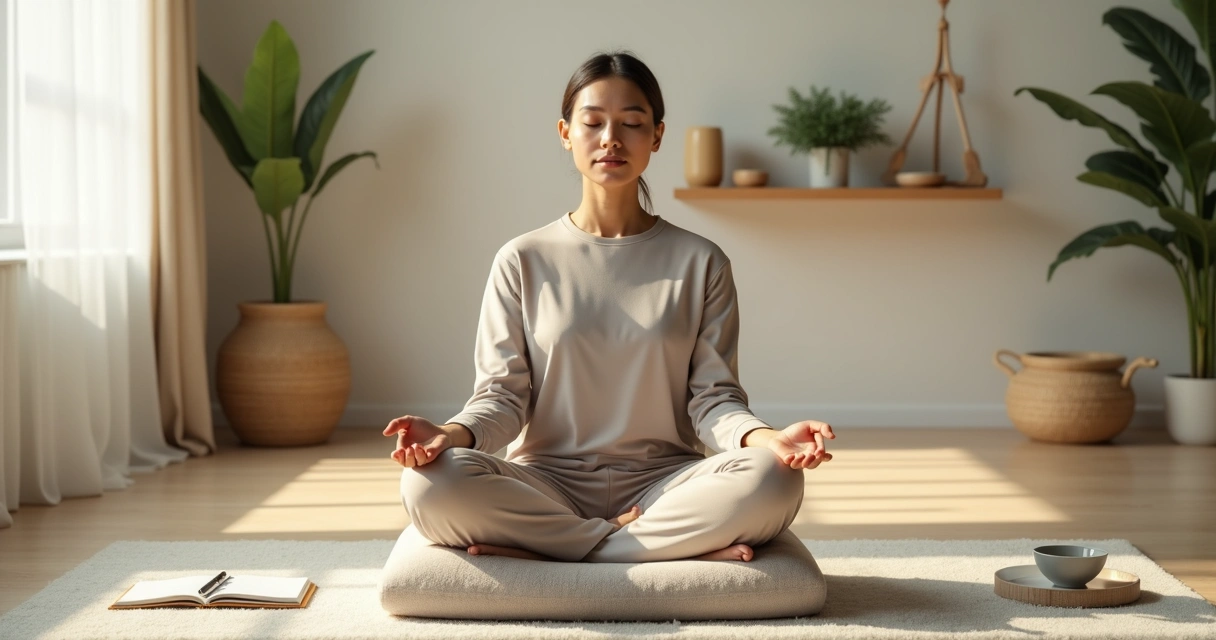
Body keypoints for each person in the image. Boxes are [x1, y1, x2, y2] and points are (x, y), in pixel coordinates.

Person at [383, 50, 835, 564]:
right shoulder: (522, 259)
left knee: (775, 478)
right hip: (546, 484)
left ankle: (562, 548)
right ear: (565, 133)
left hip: (667, 484)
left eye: (632, 124)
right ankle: (643, 547)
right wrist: (449, 435)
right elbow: (502, 398)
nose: (611, 139)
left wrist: (769, 439)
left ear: (657, 136)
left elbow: (714, 401)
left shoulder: (702, 261)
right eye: (593, 122)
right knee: (427, 484)